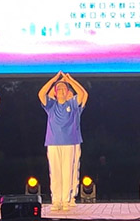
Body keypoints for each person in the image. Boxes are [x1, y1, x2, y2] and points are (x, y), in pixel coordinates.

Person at [38, 71, 87, 211]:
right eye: (58, 89)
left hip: (69, 142)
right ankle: (56, 200)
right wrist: (54, 79)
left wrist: (69, 80)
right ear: (55, 92)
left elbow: (82, 94)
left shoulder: (72, 103)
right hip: (53, 142)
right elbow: (41, 94)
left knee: (67, 171)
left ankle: (66, 200)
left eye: (64, 89)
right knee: (55, 172)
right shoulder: (51, 105)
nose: (61, 90)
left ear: (67, 92)